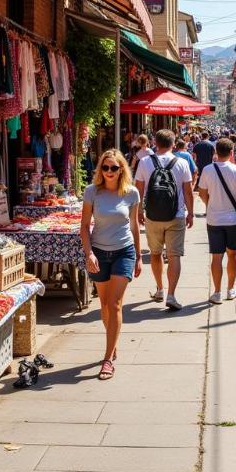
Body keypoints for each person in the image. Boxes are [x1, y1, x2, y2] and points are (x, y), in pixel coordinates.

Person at [80, 149, 142, 381]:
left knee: (115, 304)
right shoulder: (92, 192)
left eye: (114, 168)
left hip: (123, 252)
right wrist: (89, 254)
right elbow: (85, 226)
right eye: (105, 167)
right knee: (104, 306)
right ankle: (112, 342)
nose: (109, 172)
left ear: (121, 169)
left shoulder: (131, 193)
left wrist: (138, 255)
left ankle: (107, 360)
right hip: (98, 252)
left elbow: (134, 226)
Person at [134, 129, 194, 311]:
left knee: (155, 253)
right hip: (176, 215)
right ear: (174, 143)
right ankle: (171, 295)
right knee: (174, 255)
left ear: (155, 143)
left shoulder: (144, 162)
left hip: (153, 216)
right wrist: (190, 212)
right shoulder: (182, 162)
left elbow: (139, 189)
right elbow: (188, 191)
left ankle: (160, 288)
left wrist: (139, 212)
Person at [199, 138, 236, 304]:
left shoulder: (207, 170)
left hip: (213, 219)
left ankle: (217, 292)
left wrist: (210, 205)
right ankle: (230, 289)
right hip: (233, 219)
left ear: (215, 152)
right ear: (232, 152)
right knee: (232, 253)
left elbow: (202, 193)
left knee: (216, 256)